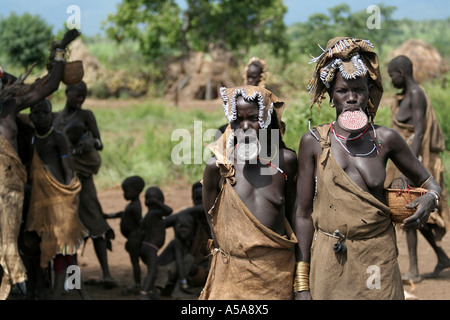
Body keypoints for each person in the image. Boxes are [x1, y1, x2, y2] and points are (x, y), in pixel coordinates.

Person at [295, 37, 442, 300]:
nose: (352, 98)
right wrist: (302, 283)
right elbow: (303, 214)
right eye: (342, 91)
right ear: (330, 95)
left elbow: (429, 182)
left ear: (368, 93)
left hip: (378, 258)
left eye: (359, 90)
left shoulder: (385, 139)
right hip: (329, 261)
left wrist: (430, 199)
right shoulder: (314, 142)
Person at [0, 29, 80, 300]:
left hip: (12, 188)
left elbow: (49, 87)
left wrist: (60, 51)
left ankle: (28, 288)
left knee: (21, 239)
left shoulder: (10, 107)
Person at [200, 85, 298, 300]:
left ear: (265, 118)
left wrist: (302, 280)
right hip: (232, 277)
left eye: (253, 118)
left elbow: (295, 217)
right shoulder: (218, 167)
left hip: (277, 274)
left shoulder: (285, 163)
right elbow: (211, 219)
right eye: (237, 120)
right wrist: (229, 256)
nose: (245, 126)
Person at [386, 55, 450, 281]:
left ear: (402, 73)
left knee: (408, 208)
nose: (391, 81)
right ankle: (442, 256)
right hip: (408, 159)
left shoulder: (415, 94)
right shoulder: (405, 96)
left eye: (392, 76)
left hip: (416, 160)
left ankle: (413, 269)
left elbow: (419, 132)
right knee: (413, 211)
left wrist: (409, 168)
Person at [54, 81, 117, 288]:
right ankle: (71, 281)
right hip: (63, 182)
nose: (80, 99)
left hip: (84, 180)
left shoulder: (86, 116)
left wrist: (91, 142)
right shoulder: (56, 118)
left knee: (95, 223)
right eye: (77, 94)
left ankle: (106, 274)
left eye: (83, 95)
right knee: (68, 229)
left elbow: (100, 143)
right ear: (67, 92)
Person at [25, 99, 89, 300]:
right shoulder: (29, 138)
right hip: (39, 203)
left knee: (66, 248)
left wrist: (71, 196)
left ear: (51, 115)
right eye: (36, 113)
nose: (41, 116)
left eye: (45, 113)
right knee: (39, 245)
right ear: (31, 117)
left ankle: (65, 291)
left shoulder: (57, 138)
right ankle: (47, 290)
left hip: (60, 198)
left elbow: (68, 170)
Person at [104, 176, 145, 293]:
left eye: (126, 191)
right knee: (134, 261)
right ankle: (137, 283)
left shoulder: (136, 206)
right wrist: (109, 216)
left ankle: (138, 284)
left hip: (134, 237)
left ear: (136, 191)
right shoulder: (132, 204)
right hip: (132, 237)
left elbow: (140, 222)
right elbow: (122, 214)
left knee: (135, 262)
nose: (124, 194)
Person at [137, 186, 173, 300]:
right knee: (152, 271)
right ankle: (144, 292)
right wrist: (157, 202)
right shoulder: (155, 214)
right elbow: (169, 211)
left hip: (146, 247)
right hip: (150, 247)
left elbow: (142, 227)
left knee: (152, 270)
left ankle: (151, 291)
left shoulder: (149, 215)